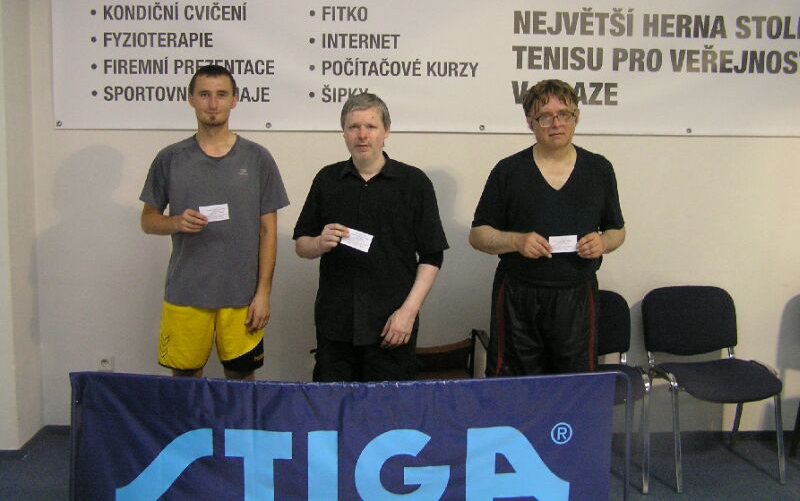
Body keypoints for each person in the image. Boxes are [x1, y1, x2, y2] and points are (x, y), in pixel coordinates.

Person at [139, 64, 289, 380]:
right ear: (191, 99)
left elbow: (268, 231)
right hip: (187, 294)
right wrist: (176, 222)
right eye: (204, 94)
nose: (212, 103)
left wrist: (263, 293)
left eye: (221, 95)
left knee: (241, 385)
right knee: (186, 385)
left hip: (242, 297)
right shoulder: (170, 158)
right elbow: (148, 221)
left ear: (234, 100)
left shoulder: (257, 158)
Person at [469, 79, 625, 376]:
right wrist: (516, 241)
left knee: (574, 386)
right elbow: (477, 235)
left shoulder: (599, 169)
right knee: (515, 388)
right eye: (545, 116)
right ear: (530, 122)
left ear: (576, 116)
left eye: (564, 114)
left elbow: (617, 230)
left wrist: (603, 242)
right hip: (518, 297)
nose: (556, 123)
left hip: (576, 297)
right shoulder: (508, 171)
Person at [293, 93, 448, 382]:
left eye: (371, 126)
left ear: (386, 131)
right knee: (333, 405)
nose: (362, 135)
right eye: (353, 127)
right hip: (335, 325)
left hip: (392, 325)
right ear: (343, 132)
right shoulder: (327, 179)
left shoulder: (414, 183)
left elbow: (432, 255)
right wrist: (318, 243)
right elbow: (302, 244)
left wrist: (408, 313)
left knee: (388, 408)